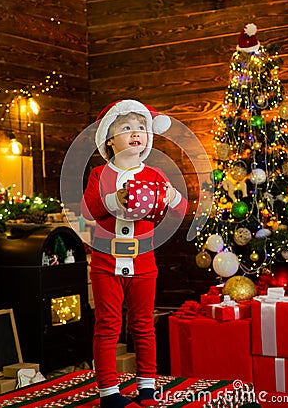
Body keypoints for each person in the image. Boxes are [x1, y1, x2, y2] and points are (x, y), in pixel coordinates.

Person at [81, 99, 188, 408]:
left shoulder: (155, 174)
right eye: (126, 128)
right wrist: (114, 200)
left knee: (143, 324)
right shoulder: (99, 174)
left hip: (144, 265)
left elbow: (180, 207)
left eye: (141, 128)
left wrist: (172, 196)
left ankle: (146, 387)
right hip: (105, 264)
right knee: (108, 325)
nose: (136, 133)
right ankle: (109, 393)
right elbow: (89, 208)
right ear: (109, 140)